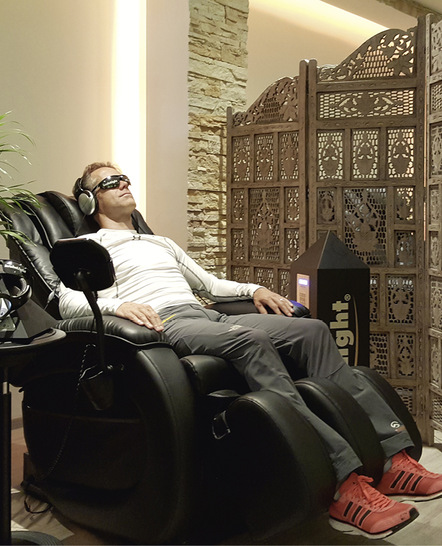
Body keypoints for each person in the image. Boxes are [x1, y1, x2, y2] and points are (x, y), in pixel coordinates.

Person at [59, 161, 442, 539]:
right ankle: (341, 480)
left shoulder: (160, 243)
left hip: (206, 316)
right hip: (166, 323)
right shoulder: (90, 247)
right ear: (89, 201)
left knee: (312, 331)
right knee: (250, 340)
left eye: (124, 178)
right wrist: (118, 306)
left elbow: (209, 285)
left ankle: (391, 457)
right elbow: (67, 303)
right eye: (110, 182)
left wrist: (254, 290)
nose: (123, 184)